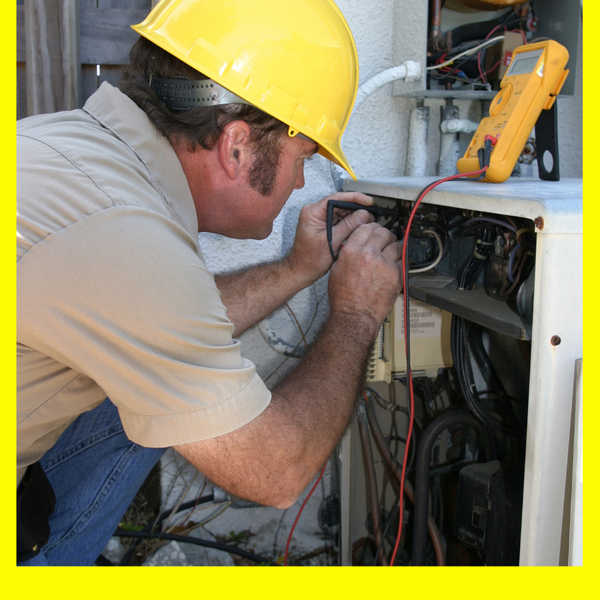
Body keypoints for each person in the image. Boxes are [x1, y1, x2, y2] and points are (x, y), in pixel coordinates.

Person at [17, 0, 401, 565]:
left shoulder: (75, 152)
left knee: (156, 397)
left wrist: (297, 269)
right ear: (237, 145)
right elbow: (277, 472)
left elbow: (168, 328)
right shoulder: (123, 236)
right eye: (302, 156)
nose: (299, 183)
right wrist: (358, 313)